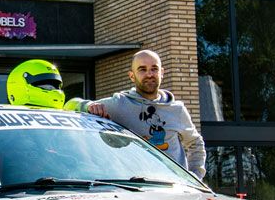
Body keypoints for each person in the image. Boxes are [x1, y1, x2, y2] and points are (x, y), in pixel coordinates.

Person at [71, 50, 206, 180]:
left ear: (162, 72)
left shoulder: (177, 109)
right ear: (131, 76)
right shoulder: (120, 104)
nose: (149, 74)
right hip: (134, 189)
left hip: (174, 190)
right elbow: (70, 105)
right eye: (142, 69)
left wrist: (195, 176)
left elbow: (195, 143)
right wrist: (87, 106)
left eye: (154, 69)